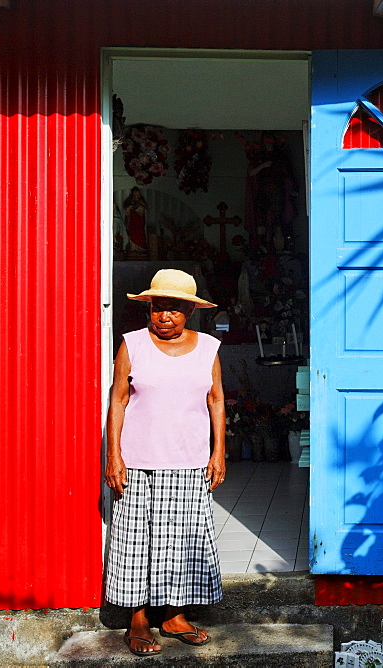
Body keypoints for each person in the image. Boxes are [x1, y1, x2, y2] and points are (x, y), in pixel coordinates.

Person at [104, 268, 225, 657]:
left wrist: (218, 451)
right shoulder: (132, 344)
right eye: (158, 309)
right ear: (149, 309)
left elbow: (216, 400)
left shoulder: (208, 347)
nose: (164, 317)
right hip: (138, 461)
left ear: (189, 311)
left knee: (182, 540)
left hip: (188, 461)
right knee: (135, 541)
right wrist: (113, 455)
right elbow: (118, 400)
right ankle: (137, 619)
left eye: (174, 309)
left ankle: (174, 614)